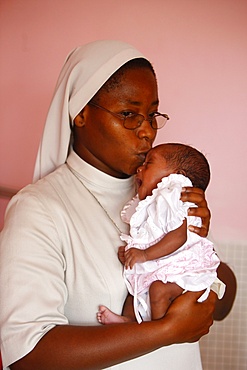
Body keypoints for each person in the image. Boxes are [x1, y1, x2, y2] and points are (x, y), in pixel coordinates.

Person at [0, 40, 236, 370]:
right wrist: (165, 330)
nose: (147, 132)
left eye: (152, 114)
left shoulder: (162, 195)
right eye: (128, 114)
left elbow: (223, 303)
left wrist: (197, 246)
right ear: (80, 113)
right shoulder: (38, 209)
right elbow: (28, 354)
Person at [97, 143, 226, 325]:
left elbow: (177, 237)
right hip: (161, 265)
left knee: (158, 290)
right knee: (135, 289)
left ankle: (158, 329)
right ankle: (129, 321)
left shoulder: (175, 199)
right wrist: (130, 253)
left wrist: (143, 254)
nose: (139, 169)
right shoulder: (151, 207)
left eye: (148, 164)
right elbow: (151, 238)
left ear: (175, 179)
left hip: (180, 270)